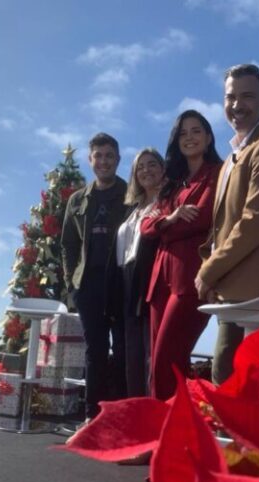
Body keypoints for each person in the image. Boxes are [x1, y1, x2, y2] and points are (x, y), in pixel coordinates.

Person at [195, 63, 259, 384]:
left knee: (235, 385)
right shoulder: (230, 159)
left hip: (258, 298)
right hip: (234, 293)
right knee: (227, 382)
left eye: (248, 96)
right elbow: (221, 228)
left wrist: (208, 271)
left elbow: (255, 222)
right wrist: (215, 275)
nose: (237, 105)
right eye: (230, 97)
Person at [140, 110, 222, 400]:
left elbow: (202, 217)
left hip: (189, 279)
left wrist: (166, 224)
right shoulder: (172, 182)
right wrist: (172, 219)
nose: (189, 137)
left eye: (196, 130)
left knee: (167, 362)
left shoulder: (217, 172)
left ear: (209, 136)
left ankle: (167, 435)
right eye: (183, 133)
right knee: (158, 364)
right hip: (159, 280)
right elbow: (146, 225)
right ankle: (172, 432)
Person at [61, 133, 128, 421]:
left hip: (122, 284)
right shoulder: (77, 200)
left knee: (125, 351)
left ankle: (122, 415)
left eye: (109, 156)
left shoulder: (131, 195)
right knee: (95, 352)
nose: (103, 161)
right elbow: (68, 244)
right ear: (90, 160)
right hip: (88, 285)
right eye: (98, 156)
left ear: (118, 160)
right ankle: (92, 416)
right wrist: (71, 283)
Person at [114, 148, 165, 397]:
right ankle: (134, 409)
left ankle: (152, 412)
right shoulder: (132, 208)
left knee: (149, 351)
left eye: (152, 164)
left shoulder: (167, 202)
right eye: (140, 167)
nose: (146, 170)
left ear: (163, 169)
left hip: (149, 277)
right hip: (127, 279)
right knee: (131, 351)